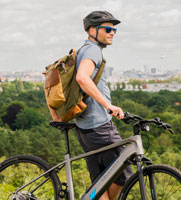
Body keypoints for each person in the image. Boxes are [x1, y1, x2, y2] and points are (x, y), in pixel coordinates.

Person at [74, 11, 132, 200]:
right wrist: (108, 105)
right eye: (107, 29)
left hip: (86, 126)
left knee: (99, 184)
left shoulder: (85, 49)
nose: (112, 32)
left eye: (114, 29)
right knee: (124, 174)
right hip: (99, 126)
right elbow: (82, 77)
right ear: (93, 30)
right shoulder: (92, 50)